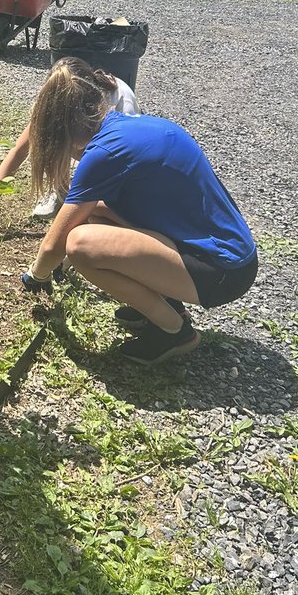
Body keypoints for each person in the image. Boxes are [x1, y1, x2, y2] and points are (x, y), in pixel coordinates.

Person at [20, 61, 258, 366]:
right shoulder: (139, 127)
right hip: (232, 258)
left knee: (80, 244)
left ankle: (175, 331)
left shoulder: (102, 153)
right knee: (95, 214)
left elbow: (54, 244)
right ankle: (163, 304)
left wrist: (36, 277)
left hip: (222, 272)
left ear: (67, 131)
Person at [0, 58, 140, 231]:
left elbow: (126, 162)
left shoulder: (119, 100)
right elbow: (19, 152)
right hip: (89, 149)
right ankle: (61, 191)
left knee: (95, 212)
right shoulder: (52, 99)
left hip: (118, 162)